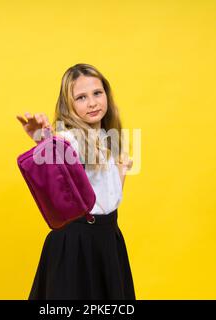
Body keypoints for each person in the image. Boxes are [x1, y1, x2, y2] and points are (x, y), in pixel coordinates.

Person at [16, 63, 135, 300]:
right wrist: (43, 140)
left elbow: (109, 199)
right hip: (77, 244)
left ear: (107, 96)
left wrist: (122, 170)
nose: (92, 102)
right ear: (68, 105)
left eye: (97, 93)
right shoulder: (70, 138)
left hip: (108, 237)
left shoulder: (109, 137)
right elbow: (56, 163)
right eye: (81, 97)